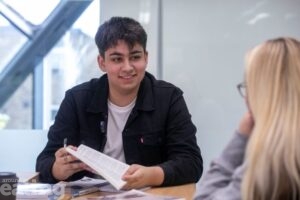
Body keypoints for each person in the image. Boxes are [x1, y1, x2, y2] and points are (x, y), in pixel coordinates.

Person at [36, 16, 203, 189]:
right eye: (117, 59)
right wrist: (57, 169)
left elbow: (191, 163)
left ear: (146, 58)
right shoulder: (77, 99)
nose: (128, 67)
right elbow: (44, 161)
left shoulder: (168, 98)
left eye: (135, 57)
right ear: (102, 62)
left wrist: (151, 175)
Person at [194, 37, 300, 200]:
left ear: (263, 94)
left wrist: (240, 137)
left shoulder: (274, 159)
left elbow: (203, 197)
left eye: (249, 86)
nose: (246, 98)